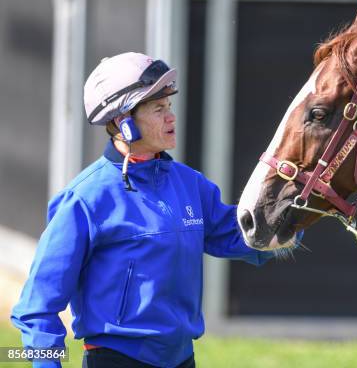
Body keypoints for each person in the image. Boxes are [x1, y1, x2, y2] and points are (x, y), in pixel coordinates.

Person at [11, 52, 295, 367]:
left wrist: (293, 215)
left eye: (169, 106)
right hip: (117, 360)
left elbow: (241, 234)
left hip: (182, 359)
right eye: (159, 109)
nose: (171, 117)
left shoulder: (190, 184)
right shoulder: (83, 199)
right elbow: (36, 307)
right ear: (123, 122)